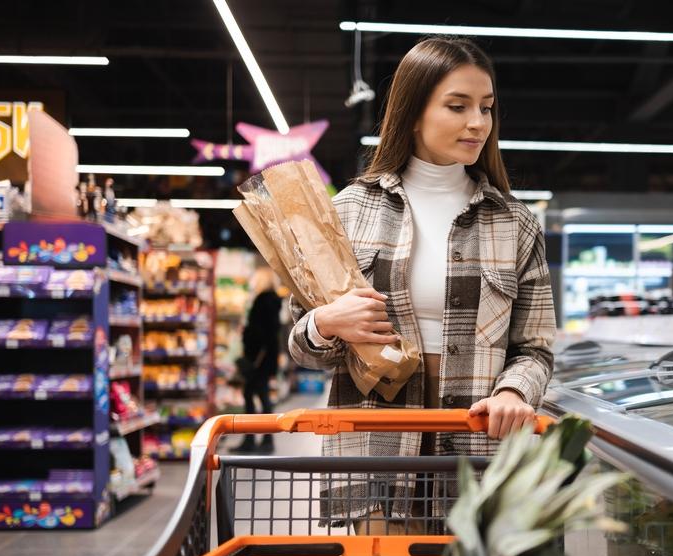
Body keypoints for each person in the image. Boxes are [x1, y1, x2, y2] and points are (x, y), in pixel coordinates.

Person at [287, 37, 556, 531]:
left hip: (478, 448)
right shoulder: (350, 211)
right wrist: (327, 322)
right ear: (412, 113)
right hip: (374, 448)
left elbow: (535, 347)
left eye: (486, 108)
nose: (478, 122)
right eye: (458, 106)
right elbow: (302, 345)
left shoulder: (515, 224)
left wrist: (515, 393)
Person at [234, 267, 283, 453]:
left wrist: (246, 334)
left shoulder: (263, 301)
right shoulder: (273, 301)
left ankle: (254, 439)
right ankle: (262, 439)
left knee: (251, 395)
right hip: (266, 359)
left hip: (258, 360)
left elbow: (259, 332)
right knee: (261, 396)